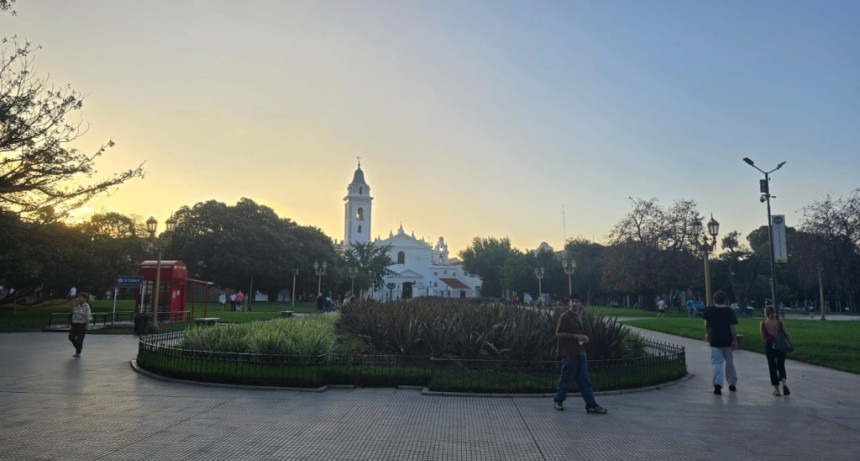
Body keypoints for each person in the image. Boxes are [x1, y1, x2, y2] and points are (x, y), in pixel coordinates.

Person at [553, 294, 607, 414]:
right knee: (566, 378)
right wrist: (576, 337)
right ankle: (559, 401)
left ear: (580, 303)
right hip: (569, 353)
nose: (574, 304)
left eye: (577, 301)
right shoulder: (565, 316)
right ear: (569, 303)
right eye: (572, 301)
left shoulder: (578, 316)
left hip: (580, 352)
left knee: (584, 380)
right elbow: (559, 333)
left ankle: (591, 405)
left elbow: (578, 334)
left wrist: (583, 338)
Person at [703, 290, 739, 395]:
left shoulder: (709, 310)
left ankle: (717, 384)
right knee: (729, 362)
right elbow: (732, 327)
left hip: (715, 339)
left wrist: (707, 334)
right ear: (725, 299)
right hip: (727, 340)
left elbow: (706, 324)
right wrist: (735, 339)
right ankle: (732, 383)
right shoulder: (729, 311)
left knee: (716, 362)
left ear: (714, 299)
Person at [761, 306, 791, 396]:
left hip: (769, 346)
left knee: (772, 367)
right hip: (780, 345)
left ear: (766, 313)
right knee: (781, 365)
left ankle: (777, 390)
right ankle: (784, 384)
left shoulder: (763, 324)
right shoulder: (779, 323)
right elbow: (787, 334)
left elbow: (763, 337)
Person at [69, 292, 92, 357]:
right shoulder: (76, 305)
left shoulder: (87, 306)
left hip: (82, 324)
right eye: (79, 297)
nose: (79, 298)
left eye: (81, 297)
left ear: (85, 299)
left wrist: (87, 324)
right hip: (74, 324)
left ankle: (78, 352)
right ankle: (78, 347)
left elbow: (88, 315)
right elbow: (72, 313)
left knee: (80, 340)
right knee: (71, 337)